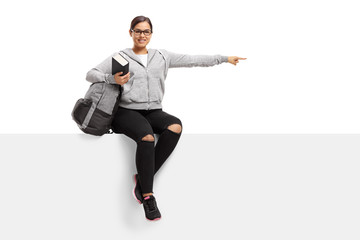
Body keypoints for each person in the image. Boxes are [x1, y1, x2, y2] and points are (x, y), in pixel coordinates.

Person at [85, 16, 247, 221]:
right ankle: (148, 196)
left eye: (146, 31)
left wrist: (223, 58)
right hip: (126, 111)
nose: (142, 35)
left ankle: (143, 179)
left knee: (175, 126)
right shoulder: (120, 56)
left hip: (153, 110)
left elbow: (193, 60)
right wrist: (112, 78)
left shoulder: (162, 56)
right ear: (130, 33)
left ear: (151, 34)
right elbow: (91, 74)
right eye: (138, 31)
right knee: (146, 136)